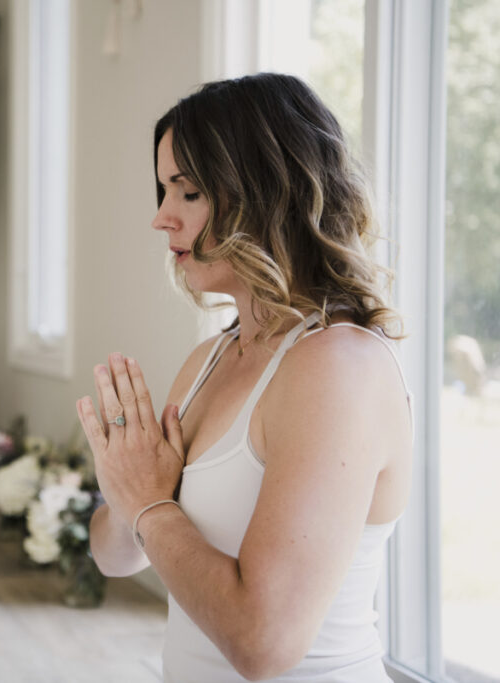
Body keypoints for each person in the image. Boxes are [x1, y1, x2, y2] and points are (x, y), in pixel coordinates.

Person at [76, 73, 412, 683]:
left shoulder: (337, 367)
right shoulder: (209, 360)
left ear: (265, 191)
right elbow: (113, 555)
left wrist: (150, 503)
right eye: (162, 191)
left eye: (188, 192)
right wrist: (129, 491)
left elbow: (263, 643)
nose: (161, 218)